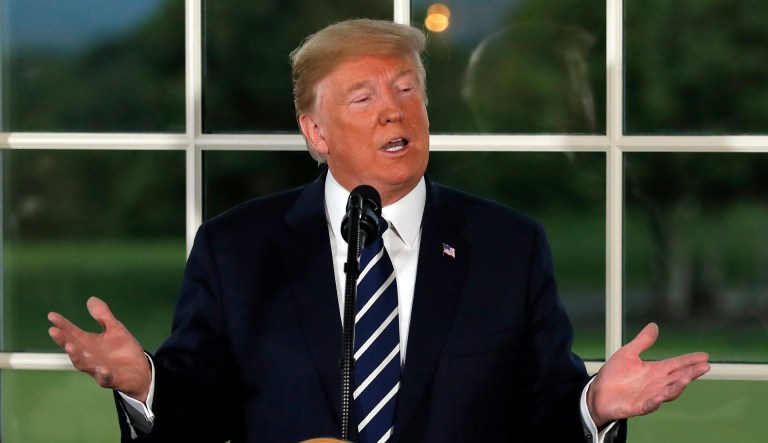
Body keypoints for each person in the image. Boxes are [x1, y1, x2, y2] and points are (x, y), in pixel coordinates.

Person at [48, 19, 710, 442]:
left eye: (406, 91)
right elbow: (200, 406)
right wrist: (144, 383)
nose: (394, 111)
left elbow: (543, 407)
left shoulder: (507, 245)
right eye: (364, 98)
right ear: (316, 131)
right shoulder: (238, 248)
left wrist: (596, 404)